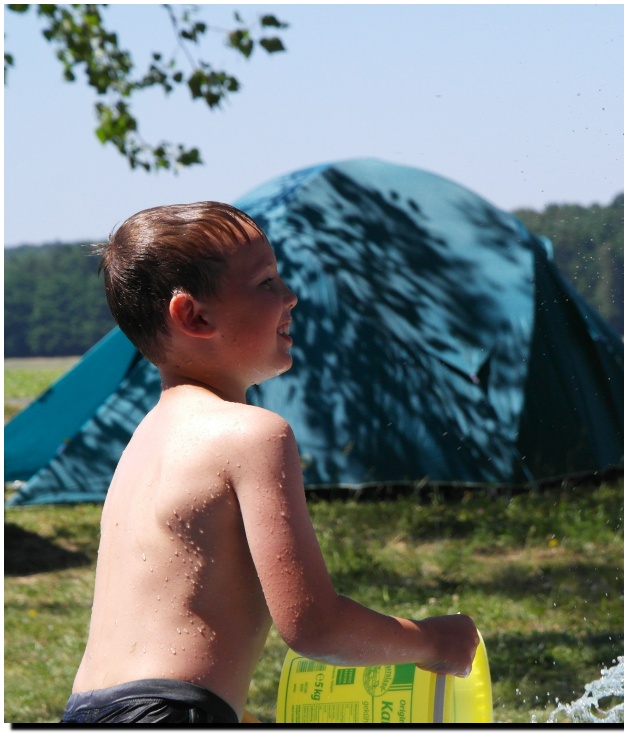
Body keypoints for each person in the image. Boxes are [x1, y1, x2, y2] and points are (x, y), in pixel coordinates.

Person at [61, 202, 480, 724]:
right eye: (265, 283)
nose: (290, 295)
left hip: (87, 710)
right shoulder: (254, 434)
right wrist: (433, 641)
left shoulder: (144, 442)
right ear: (194, 315)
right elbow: (315, 627)